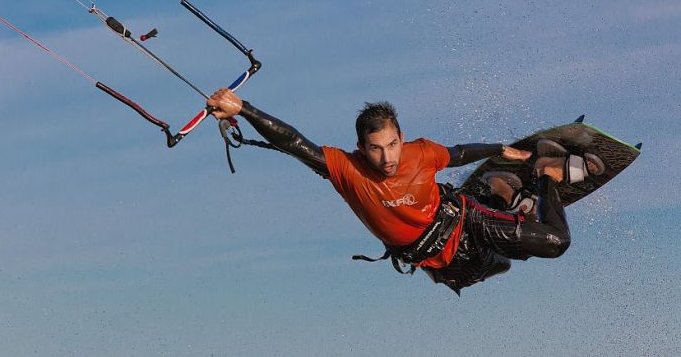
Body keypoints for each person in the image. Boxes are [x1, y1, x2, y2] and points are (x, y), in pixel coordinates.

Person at [206, 89, 602, 294]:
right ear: (362, 148)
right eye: (376, 149)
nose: (387, 157)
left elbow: (458, 153)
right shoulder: (346, 170)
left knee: (554, 242)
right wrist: (244, 110)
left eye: (392, 144)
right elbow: (295, 142)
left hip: (463, 221)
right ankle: (504, 194)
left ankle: (546, 173)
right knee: (500, 265)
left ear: (401, 137)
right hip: (438, 262)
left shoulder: (421, 152)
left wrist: (500, 149)